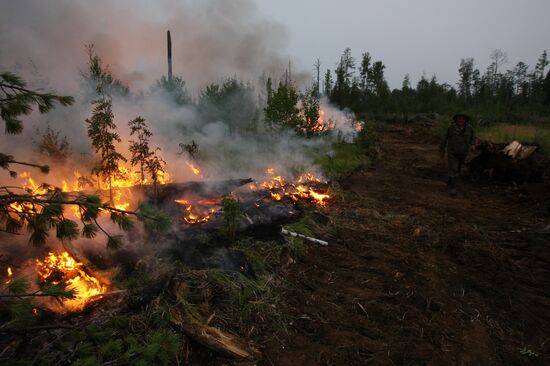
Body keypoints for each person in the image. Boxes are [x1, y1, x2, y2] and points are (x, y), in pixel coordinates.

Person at [439, 113, 476, 196]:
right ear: (456, 120)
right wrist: (442, 150)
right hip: (452, 152)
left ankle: (450, 181)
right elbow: (445, 138)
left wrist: (473, 145)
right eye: (459, 119)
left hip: (463, 153)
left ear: (465, 120)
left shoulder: (470, 128)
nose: (461, 120)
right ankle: (453, 188)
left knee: (459, 169)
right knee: (453, 168)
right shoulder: (451, 128)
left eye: (463, 119)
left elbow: (473, 138)